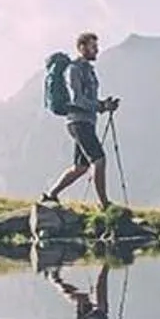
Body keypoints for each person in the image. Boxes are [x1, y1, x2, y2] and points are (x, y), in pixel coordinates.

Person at [43, 31, 121, 210]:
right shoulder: (74, 70)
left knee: (80, 167)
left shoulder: (88, 70)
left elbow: (87, 99)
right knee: (98, 159)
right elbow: (77, 99)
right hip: (78, 122)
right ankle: (104, 204)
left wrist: (104, 104)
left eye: (96, 46)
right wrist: (101, 107)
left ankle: (50, 195)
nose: (97, 50)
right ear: (82, 47)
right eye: (93, 47)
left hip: (86, 121)